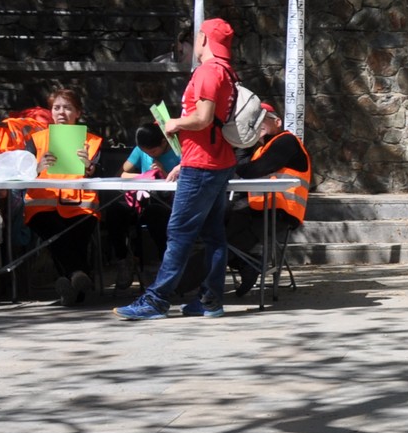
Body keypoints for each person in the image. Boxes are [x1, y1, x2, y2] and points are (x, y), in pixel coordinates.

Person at [118, 16, 239, 321]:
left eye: (197, 36)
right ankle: (210, 300)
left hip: (201, 164)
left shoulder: (208, 71)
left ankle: (156, 300)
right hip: (218, 161)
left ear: (203, 39)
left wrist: (174, 123)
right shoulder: (227, 71)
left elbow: (203, 118)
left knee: (179, 231)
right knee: (212, 234)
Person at [24, 84, 103, 306]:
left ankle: (70, 283)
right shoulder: (36, 139)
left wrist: (88, 166)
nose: (61, 112)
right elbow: (21, 172)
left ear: (78, 113)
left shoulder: (93, 141)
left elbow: (103, 175)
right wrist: (37, 167)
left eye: (67, 108)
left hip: (81, 205)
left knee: (74, 235)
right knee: (57, 234)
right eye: (56, 107)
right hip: (42, 206)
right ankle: (78, 275)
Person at [227, 104, 310, 296]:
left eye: (261, 119)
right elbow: (243, 169)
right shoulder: (260, 149)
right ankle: (248, 264)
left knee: (219, 241)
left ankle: (182, 287)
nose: (256, 124)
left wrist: (242, 149)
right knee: (212, 228)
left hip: (280, 213)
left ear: (277, 122)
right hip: (257, 210)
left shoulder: (286, 141)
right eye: (252, 121)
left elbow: (251, 170)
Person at [102, 123, 179, 290]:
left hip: (166, 204)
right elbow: (121, 174)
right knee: (115, 211)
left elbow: (183, 183)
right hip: (141, 199)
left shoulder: (177, 152)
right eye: (145, 152)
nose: (149, 155)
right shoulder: (141, 150)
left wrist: (163, 173)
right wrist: (144, 176)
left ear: (163, 142)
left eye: (153, 152)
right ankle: (123, 259)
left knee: (155, 214)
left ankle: (164, 264)